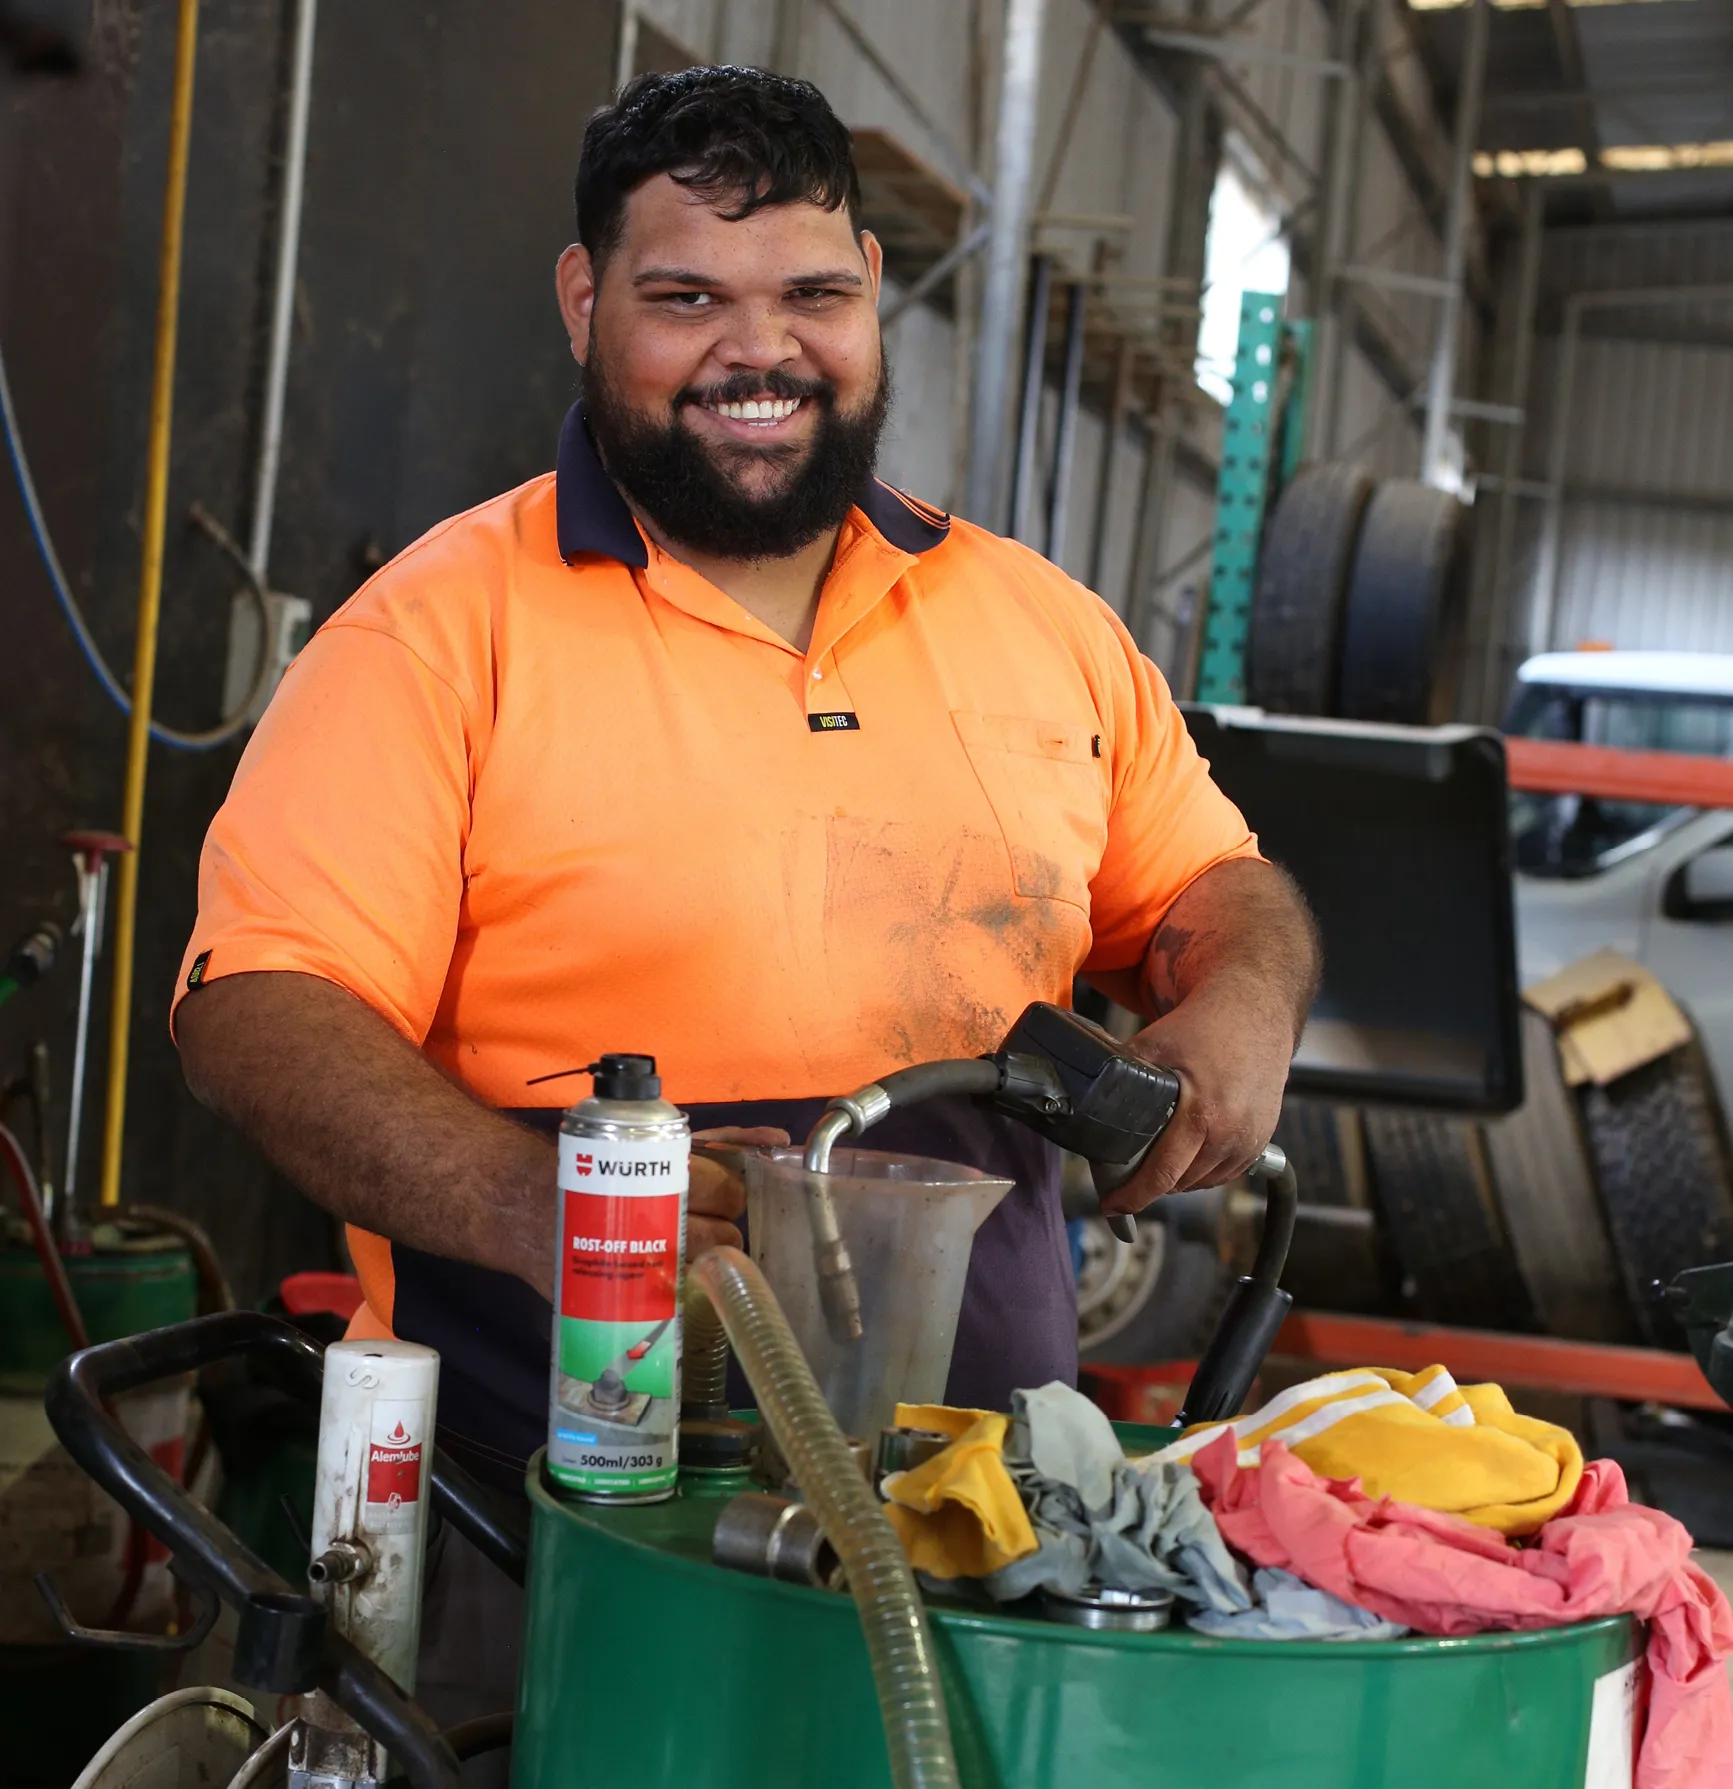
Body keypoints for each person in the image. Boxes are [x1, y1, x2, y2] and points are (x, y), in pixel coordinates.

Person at [174, 65, 1319, 1722]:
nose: (760, 352)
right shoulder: (436, 638)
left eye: (815, 296)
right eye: (687, 297)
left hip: (987, 1533)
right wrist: (523, 1205)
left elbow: (1217, 883)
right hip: (556, 1523)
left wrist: (1245, 1000)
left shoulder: (1038, 626)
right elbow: (255, 1008)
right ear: (585, 303)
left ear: (873, 304)